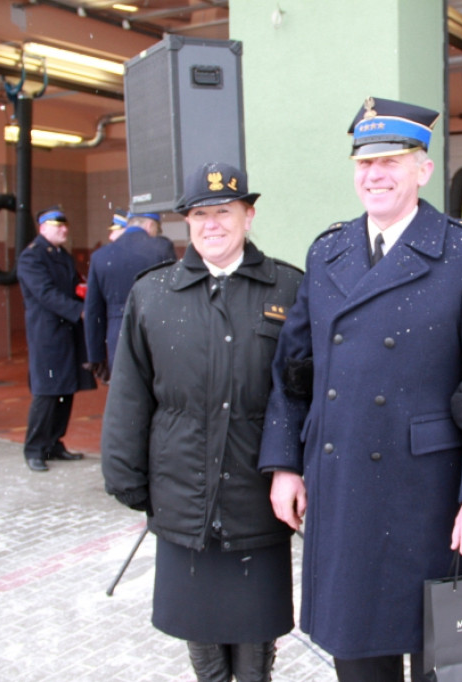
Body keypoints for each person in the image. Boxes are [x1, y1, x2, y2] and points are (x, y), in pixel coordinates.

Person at [258, 96, 462, 682]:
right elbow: (293, 371)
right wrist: (284, 466)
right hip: (343, 486)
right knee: (358, 660)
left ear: (422, 169)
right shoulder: (327, 252)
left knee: (443, 665)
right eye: (364, 164)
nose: (374, 175)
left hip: (429, 496)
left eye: (391, 161)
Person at [101, 163, 302, 682]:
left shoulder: (289, 288)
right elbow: (129, 394)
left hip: (256, 499)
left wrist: (300, 470)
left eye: (224, 212)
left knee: (257, 647)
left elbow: (305, 394)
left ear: (248, 215)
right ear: (187, 223)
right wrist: (127, 478)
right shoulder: (154, 294)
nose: (212, 224)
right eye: (199, 215)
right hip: (182, 496)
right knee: (204, 645)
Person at [16, 206, 96, 473]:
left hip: (67, 331)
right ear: (42, 228)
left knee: (65, 390)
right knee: (47, 393)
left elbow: (72, 286)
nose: (64, 229)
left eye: (65, 225)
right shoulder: (32, 257)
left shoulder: (61, 255)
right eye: (57, 225)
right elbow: (45, 294)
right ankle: (35, 448)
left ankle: (54, 443)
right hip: (47, 334)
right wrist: (80, 311)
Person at [84, 207, 176, 383]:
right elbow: (173, 295)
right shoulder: (161, 248)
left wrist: (95, 357)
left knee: (124, 398)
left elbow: (93, 311)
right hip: (155, 334)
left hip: (116, 339)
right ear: (150, 225)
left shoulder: (100, 256)